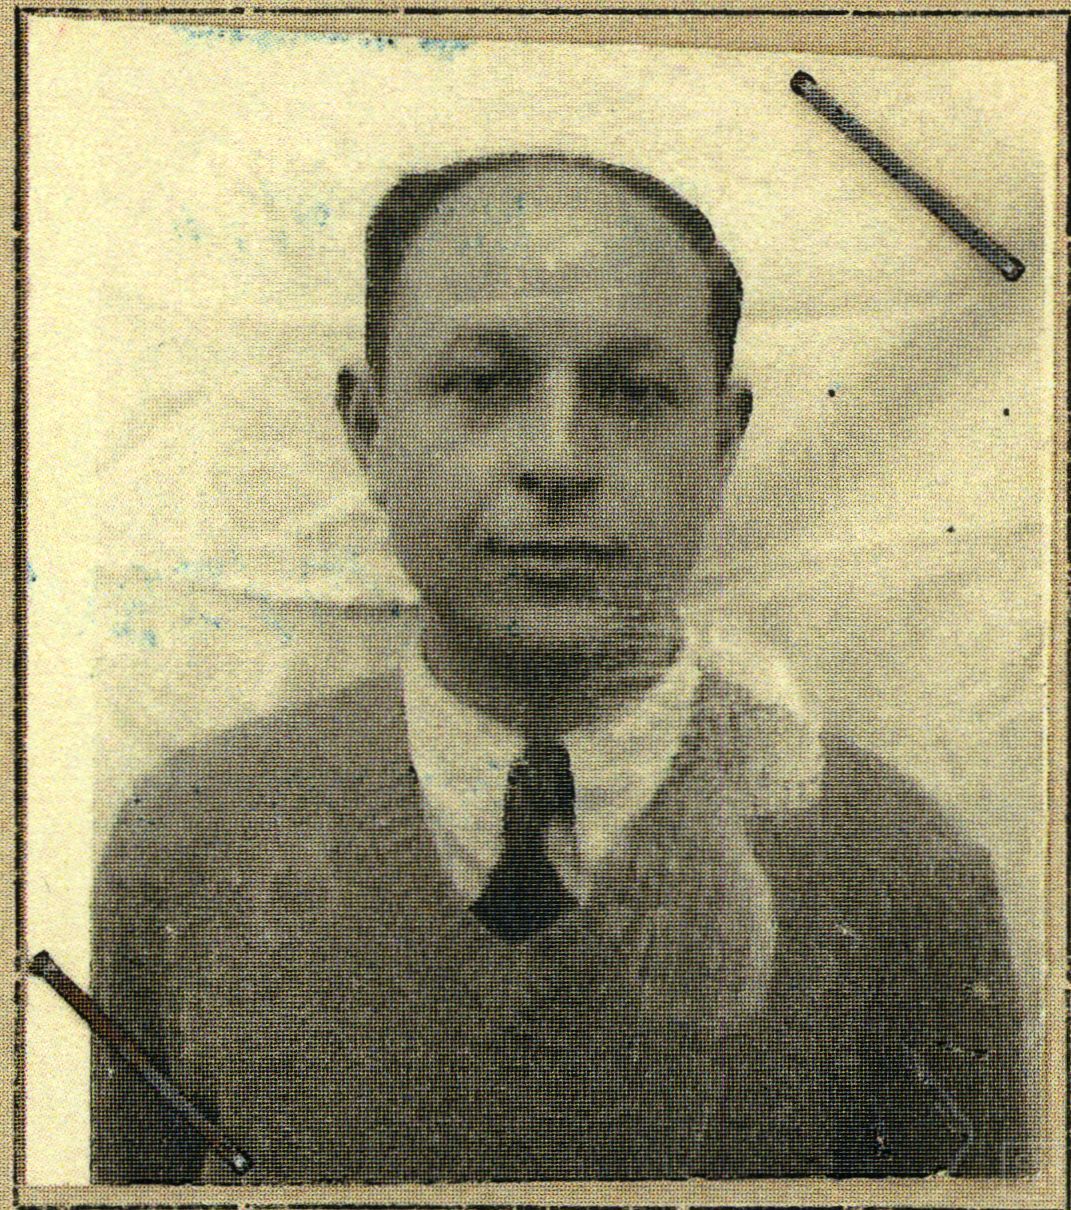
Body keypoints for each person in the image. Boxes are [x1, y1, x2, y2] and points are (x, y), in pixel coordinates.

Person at [92, 151, 1027, 1183]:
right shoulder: (188, 842)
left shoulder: (904, 877)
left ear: (722, 441)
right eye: (480, 385)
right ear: (370, 428)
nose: (559, 460)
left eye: (634, 394)